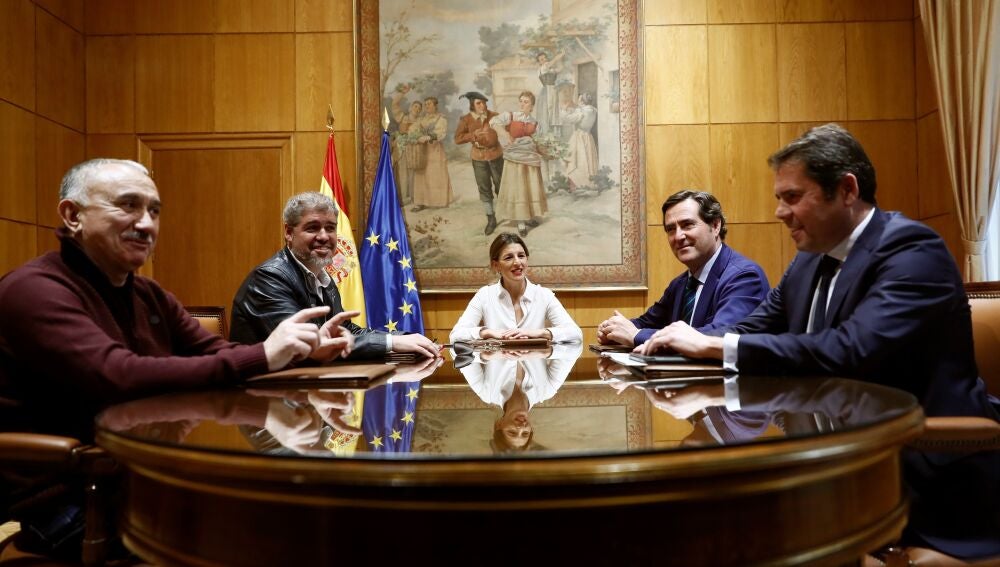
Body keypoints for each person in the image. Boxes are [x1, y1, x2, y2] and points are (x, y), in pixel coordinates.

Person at [635, 124, 999, 559]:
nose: (779, 212)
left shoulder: (912, 250)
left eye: (792, 197)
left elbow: (850, 349)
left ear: (846, 190)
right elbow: (751, 328)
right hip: (833, 463)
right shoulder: (807, 260)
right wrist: (680, 342)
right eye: (779, 198)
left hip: (919, 476)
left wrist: (714, 346)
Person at [0, 159, 350, 439]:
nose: (146, 224)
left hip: (142, 463)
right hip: (67, 484)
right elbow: (116, 375)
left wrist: (302, 351)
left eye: (154, 211)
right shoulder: (32, 290)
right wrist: (265, 354)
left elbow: (220, 354)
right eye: (128, 206)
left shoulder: (147, 294)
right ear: (73, 216)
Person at [230, 192, 439, 359]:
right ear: (288, 233)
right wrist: (391, 343)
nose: (323, 236)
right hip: (263, 393)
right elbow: (308, 345)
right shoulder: (269, 279)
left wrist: (404, 338)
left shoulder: (322, 277)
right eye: (312, 228)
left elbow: (345, 330)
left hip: (306, 386)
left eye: (330, 228)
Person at [597, 190, 768, 348]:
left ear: (715, 226)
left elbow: (720, 337)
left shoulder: (744, 277)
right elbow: (648, 322)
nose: (678, 236)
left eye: (687, 225)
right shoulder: (680, 284)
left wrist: (636, 335)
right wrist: (614, 330)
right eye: (671, 229)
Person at [450, 232, 582, 343]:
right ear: (496, 265)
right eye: (508, 257)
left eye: (521, 256)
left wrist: (539, 333)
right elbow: (456, 335)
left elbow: (575, 333)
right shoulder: (484, 295)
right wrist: (486, 332)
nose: (517, 262)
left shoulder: (544, 295)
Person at [459, 342, 582, 453]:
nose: (521, 428)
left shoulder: (486, 392)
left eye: (512, 432)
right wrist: (544, 346)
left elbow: (459, 350)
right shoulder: (547, 389)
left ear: (499, 425)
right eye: (525, 433)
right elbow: (575, 346)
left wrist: (486, 350)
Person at [490, 91, 547, 236]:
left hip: (530, 160)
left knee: (530, 189)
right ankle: (520, 222)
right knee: (519, 189)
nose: (522, 104)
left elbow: (539, 143)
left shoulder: (535, 123)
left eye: (526, 102)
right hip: (514, 159)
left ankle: (528, 217)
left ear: (532, 106)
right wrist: (506, 134)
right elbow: (494, 122)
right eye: (521, 101)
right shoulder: (511, 116)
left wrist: (548, 153)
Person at [454, 91, 504, 235]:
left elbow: (507, 129)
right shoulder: (466, 120)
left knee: (501, 185)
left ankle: (508, 212)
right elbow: (458, 139)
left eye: (484, 102)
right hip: (479, 158)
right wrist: (472, 135)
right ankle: (491, 218)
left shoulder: (494, 116)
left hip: (496, 155)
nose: (483, 105)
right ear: (472, 105)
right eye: (479, 103)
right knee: (484, 188)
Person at [410, 96, 453, 212]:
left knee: (435, 175)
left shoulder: (441, 119)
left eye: (429, 104)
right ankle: (420, 203)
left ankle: (438, 201)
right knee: (421, 175)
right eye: (425, 104)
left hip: (435, 150)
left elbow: (441, 133)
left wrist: (428, 137)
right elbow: (413, 128)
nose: (426, 106)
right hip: (422, 150)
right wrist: (415, 135)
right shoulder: (422, 119)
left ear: (435, 105)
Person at [560, 92, 599, 190]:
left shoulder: (581, 112)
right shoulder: (594, 110)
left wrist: (564, 109)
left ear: (582, 102)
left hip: (579, 137)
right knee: (587, 161)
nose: (577, 101)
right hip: (588, 137)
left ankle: (576, 185)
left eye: (579, 99)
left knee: (576, 161)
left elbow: (567, 119)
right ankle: (587, 184)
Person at [390, 89, 422, 205]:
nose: (417, 109)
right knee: (400, 173)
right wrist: (402, 93)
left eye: (419, 108)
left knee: (412, 174)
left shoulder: (420, 122)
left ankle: (411, 197)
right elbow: (394, 104)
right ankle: (400, 198)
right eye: (415, 106)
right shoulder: (403, 117)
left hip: (413, 150)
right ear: (410, 108)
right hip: (401, 148)